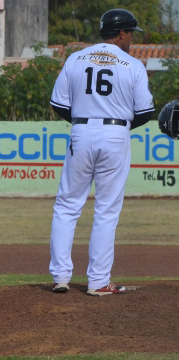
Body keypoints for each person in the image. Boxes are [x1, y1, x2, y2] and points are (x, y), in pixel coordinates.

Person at [49, 9, 154, 296]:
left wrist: (85, 121)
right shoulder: (132, 64)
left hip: (81, 130)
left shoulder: (75, 58)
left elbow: (58, 104)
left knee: (67, 205)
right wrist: (117, 128)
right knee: (106, 210)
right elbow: (145, 112)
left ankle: (60, 276)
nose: (132, 38)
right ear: (121, 33)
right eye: (130, 32)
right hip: (116, 132)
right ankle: (97, 282)